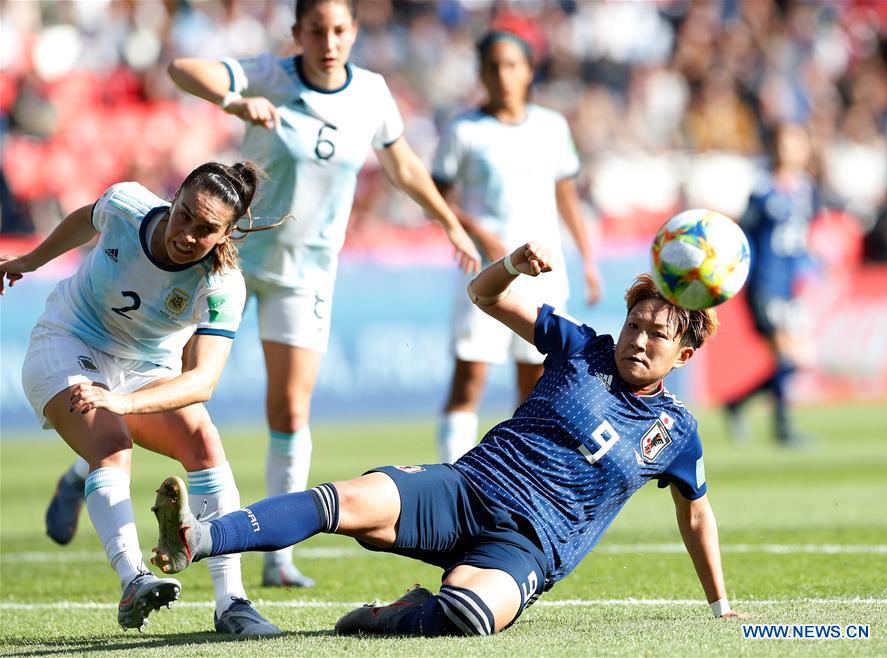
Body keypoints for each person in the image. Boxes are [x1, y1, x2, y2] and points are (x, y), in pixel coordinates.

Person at [150, 243, 743, 637]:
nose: (638, 339)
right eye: (635, 324)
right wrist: (511, 263)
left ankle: (399, 615)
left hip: (528, 547)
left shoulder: (676, 432)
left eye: (656, 336)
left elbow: (696, 517)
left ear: (683, 355)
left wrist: (719, 604)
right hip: (467, 488)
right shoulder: (579, 346)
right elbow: (484, 295)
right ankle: (197, 537)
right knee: (343, 501)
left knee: (467, 614)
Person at [151, 0, 480, 589]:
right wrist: (233, 99)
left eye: (339, 30)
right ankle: (87, 468)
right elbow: (181, 69)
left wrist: (449, 223)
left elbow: (403, 166)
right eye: (316, 30)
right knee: (158, 380)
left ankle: (277, 555)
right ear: (296, 33)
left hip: (307, 272)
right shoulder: (273, 76)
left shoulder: (372, 94)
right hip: (230, 260)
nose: (329, 42)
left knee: (291, 407)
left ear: (353, 32)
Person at [2, 162, 281, 635]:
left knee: (203, 440)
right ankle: (134, 578)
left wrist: (124, 402)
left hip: (145, 370)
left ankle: (232, 603)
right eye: (185, 215)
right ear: (174, 199)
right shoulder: (126, 204)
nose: (187, 234)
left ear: (228, 233)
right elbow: (85, 219)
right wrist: (31, 260)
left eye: (206, 229)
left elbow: (202, 382)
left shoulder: (223, 285)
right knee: (113, 445)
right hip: (68, 342)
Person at [433, 29, 601, 463]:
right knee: (469, 377)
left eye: (512, 65)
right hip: (488, 270)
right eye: (493, 66)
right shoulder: (464, 129)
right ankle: (453, 476)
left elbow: (566, 194)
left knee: (538, 381)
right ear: (481, 73)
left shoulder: (552, 126)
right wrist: (478, 232)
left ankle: (515, 479)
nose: (502, 75)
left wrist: (588, 260)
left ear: (528, 72)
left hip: (544, 272)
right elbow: (438, 199)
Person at [724, 123, 818, 445]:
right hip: (765, 284)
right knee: (786, 357)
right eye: (782, 143)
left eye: (794, 143)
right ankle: (783, 428)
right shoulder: (763, 190)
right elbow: (741, 233)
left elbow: (802, 238)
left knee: (798, 361)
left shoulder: (805, 188)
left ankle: (736, 404)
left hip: (790, 288)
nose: (787, 150)